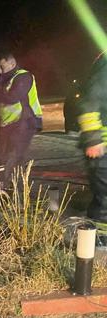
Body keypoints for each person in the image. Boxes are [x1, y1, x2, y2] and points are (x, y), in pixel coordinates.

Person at [0, 53, 43, 190]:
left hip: (25, 122)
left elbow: (14, 97)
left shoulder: (24, 76)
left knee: (14, 156)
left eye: (2, 67)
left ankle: (13, 192)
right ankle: (1, 188)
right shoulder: (2, 80)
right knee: (1, 156)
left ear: (12, 64)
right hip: (5, 125)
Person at [77, 52, 107, 233]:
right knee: (105, 199)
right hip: (102, 148)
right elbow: (89, 102)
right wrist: (93, 139)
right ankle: (100, 238)